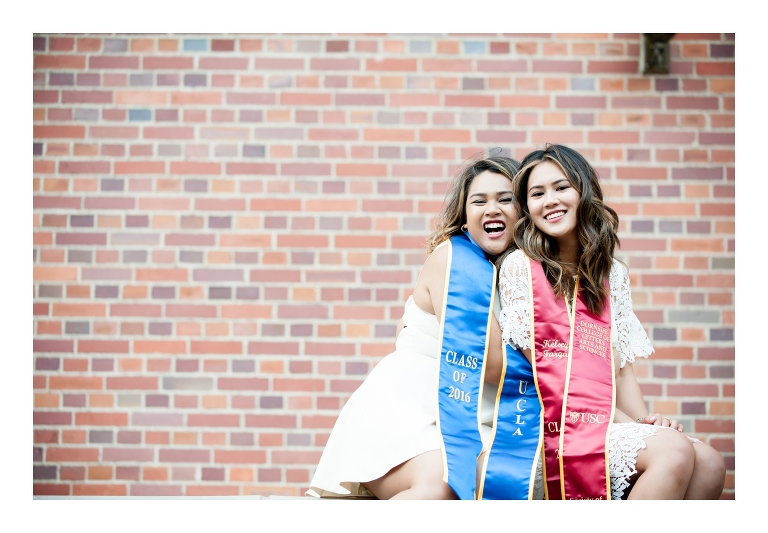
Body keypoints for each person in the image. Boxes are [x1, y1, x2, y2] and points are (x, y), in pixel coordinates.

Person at [497, 143, 726, 499]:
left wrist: (647, 423)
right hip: (552, 424)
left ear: (583, 190)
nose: (550, 200)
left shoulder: (612, 275)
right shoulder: (521, 269)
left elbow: (621, 371)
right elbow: (552, 375)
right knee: (672, 450)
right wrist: (637, 429)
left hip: (607, 419)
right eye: (537, 193)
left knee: (710, 462)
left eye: (561, 187)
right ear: (527, 208)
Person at [306, 156, 521, 499]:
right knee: (442, 484)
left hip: (463, 411)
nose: (491, 209)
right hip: (408, 410)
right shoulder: (457, 262)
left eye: (505, 199)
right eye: (478, 201)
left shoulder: (518, 273)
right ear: (465, 219)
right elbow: (497, 364)